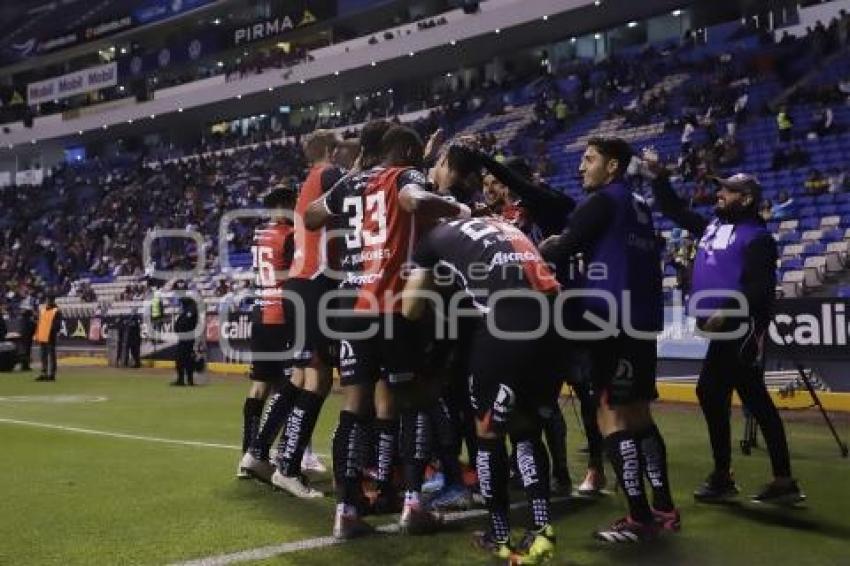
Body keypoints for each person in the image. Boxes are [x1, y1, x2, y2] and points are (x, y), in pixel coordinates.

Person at [305, 124, 470, 539]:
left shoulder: (351, 183)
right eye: (411, 151)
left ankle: (345, 512)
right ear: (401, 150)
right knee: (411, 401)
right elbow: (413, 197)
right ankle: (413, 504)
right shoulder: (405, 176)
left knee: (353, 404)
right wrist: (454, 207)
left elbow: (311, 216)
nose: (415, 159)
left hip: (352, 306)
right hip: (395, 306)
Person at [540, 137, 679, 542]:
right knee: (639, 414)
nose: (581, 167)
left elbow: (564, 247)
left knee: (611, 415)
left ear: (613, 166)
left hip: (607, 320)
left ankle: (639, 516)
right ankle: (664, 506)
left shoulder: (602, 202)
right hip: (640, 319)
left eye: (589, 159)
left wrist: (550, 245)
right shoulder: (639, 205)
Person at [403, 216, 562, 564]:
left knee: (488, 433)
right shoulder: (500, 225)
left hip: (503, 325)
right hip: (553, 321)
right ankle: (542, 532)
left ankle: (500, 535)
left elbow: (410, 308)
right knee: (526, 429)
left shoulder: (432, 239)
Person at [647, 163, 805, 505]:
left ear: (746, 199)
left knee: (716, 392)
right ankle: (778, 480)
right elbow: (673, 210)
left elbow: (760, 288)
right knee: (748, 398)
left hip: (743, 328)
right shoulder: (713, 227)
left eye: (727, 190)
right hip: (725, 330)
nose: (719, 194)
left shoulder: (758, 238)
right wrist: (659, 179)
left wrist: (727, 309)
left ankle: (729, 476)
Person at [268, 130, 346, 496]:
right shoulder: (329, 174)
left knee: (307, 377)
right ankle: (288, 466)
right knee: (318, 379)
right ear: (331, 150)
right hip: (314, 283)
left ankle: (284, 457)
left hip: (300, 284)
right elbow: (357, 195)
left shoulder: (309, 183)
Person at [237, 186, 298, 482]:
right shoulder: (289, 235)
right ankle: (277, 454)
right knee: (290, 386)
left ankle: (246, 455)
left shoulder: (259, 235)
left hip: (260, 313)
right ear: (287, 204)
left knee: (260, 387)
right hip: (281, 314)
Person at [172, 297, 198, 386]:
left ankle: (186, 380)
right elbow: (178, 324)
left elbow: (185, 323)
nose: (181, 305)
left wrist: (179, 329)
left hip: (188, 339)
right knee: (183, 359)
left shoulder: (191, 310)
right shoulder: (186, 311)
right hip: (184, 338)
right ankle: (183, 379)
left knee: (185, 359)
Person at [35, 295, 62, 382]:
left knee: (51, 355)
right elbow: (40, 322)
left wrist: (51, 330)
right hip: (43, 335)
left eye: (49, 300)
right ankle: (44, 373)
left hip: (50, 336)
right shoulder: (42, 310)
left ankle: (51, 374)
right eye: (47, 300)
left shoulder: (56, 310)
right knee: (43, 355)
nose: (47, 301)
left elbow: (57, 325)